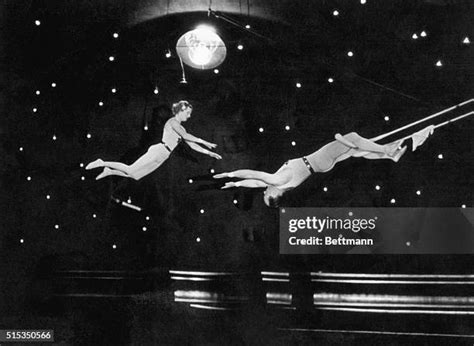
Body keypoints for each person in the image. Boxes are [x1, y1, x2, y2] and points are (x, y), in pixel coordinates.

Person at [213, 132, 407, 207]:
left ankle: (389, 155)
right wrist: (231, 173)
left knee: (356, 152)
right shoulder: (277, 181)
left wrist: (236, 183)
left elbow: (254, 182)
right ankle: (387, 150)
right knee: (354, 138)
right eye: (265, 194)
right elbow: (254, 175)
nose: (264, 190)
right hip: (318, 160)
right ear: (274, 194)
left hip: (321, 167)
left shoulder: (281, 184)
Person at [86, 100, 222, 180]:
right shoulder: (173, 122)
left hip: (164, 156)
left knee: (134, 175)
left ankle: (110, 171)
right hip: (159, 150)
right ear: (181, 110)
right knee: (130, 168)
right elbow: (187, 137)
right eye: (188, 113)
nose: (189, 116)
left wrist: (209, 153)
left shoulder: (182, 129)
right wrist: (205, 142)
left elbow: (192, 145)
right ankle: (102, 162)